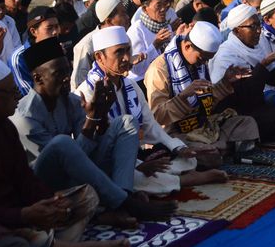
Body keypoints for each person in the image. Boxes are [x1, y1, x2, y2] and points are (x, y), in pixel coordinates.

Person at [0, 59, 129, 247]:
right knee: (7, 238)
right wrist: (22, 215)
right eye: (13, 92)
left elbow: (25, 178)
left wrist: (50, 202)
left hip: (25, 213)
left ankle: (51, 245)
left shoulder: (5, 127)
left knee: (87, 196)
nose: (18, 96)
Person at [10, 37, 175, 224]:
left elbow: (88, 150)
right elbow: (65, 158)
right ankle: (127, 204)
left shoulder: (70, 100)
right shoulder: (25, 117)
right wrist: (92, 119)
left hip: (78, 171)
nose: (66, 78)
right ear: (38, 78)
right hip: (47, 183)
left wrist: (102, 117)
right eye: (59, 73)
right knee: (62, 142)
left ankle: (122, 197)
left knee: (126, 123)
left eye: (68, 71)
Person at [78, 26, 226, 195]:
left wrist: (178, 148)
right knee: (129, 174)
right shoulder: (86, 93)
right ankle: (184, 180)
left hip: (138, 152)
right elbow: (95, 147)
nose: (127, 58)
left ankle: (162, 178)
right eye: (119, 52)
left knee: (188, 159)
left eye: (128, 50)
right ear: (99, 56)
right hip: (107, 160)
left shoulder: (130, 85)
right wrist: (137, 164)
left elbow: (151, 124)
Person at [146, 21, 259, 165]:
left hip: (202, 126)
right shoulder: (159, 69)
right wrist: (183, 97)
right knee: (206, 153)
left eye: (208, 59)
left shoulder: (198, 63)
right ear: (187, 46)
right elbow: (157, 116)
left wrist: (225, 82)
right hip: (175, 132)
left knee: (247, 123)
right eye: (203, 58)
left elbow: (207, 105)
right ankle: (221, 150)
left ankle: (218, 149)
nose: (204, 63)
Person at [210, 4, 275, 141]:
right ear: (237, 30)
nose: (258, 31)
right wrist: (262, 66)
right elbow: (242, 98)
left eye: (259, 25)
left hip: (255, 107)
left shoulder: (254, 49)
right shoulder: (227, 56)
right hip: (234, 114)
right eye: (253, 27)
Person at [71, 0, 130, 90]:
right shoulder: (86, 45)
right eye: (122, 14)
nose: (127, 17)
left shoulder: (125, 38)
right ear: (109, 21)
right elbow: (79, 84)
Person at [127, 0, 176, 82]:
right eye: (158, 5)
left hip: (164, 78)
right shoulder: (137, 30)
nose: (163, 9)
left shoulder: (166, 26)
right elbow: (136, 69)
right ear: (145, 9)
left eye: (164, 4)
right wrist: (155, 45)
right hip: (142, 82)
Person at [9, 6, 60, 96]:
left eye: (57, 26)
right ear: (33, 31)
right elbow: (29, 96)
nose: (55, 32)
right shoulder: (20, 58)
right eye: (49, 28)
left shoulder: (57, 50)